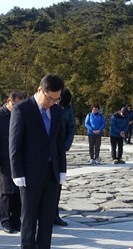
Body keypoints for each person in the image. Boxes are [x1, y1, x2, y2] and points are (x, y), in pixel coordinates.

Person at [9, 74, 67, 249]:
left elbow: (58, 142)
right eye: (49, 98)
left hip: (51, 173)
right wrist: (17, 173)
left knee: (47, 218)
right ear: (40, 90)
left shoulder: (57, 111)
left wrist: (62, 169)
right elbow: (14, 143)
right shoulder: (22, 109)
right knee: (29, 218)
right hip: (30, 174)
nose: (52, 102)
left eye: (56, 99)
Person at [0, 90, 26, 233]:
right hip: (3, 159)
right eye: (15, 104)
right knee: (6, 192)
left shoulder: (23, 115)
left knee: (18, 190)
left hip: (19, 159)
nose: (18, 108)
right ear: (9, 101)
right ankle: (5, 221)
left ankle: (16, 220)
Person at [53, 87, 75, 227]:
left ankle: (55, 215)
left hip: (60, 150)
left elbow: (71, 127)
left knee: (57, 184)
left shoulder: (68, 108)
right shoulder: (47, 104)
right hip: (44, 150)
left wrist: (66, 146)